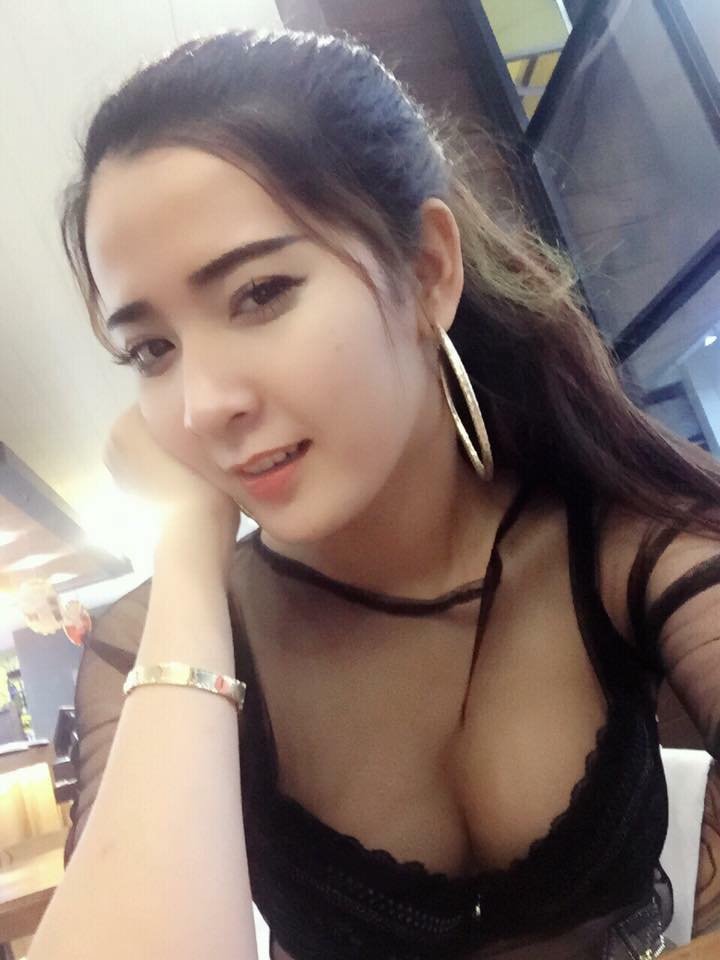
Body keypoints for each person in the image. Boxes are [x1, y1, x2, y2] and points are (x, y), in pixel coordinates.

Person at [29, 28, 720, 960]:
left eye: (260, 293)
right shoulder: (156, 642)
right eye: (152, 349)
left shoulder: (617, 537)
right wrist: (187, 546)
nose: (203, 405)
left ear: (428, 271)